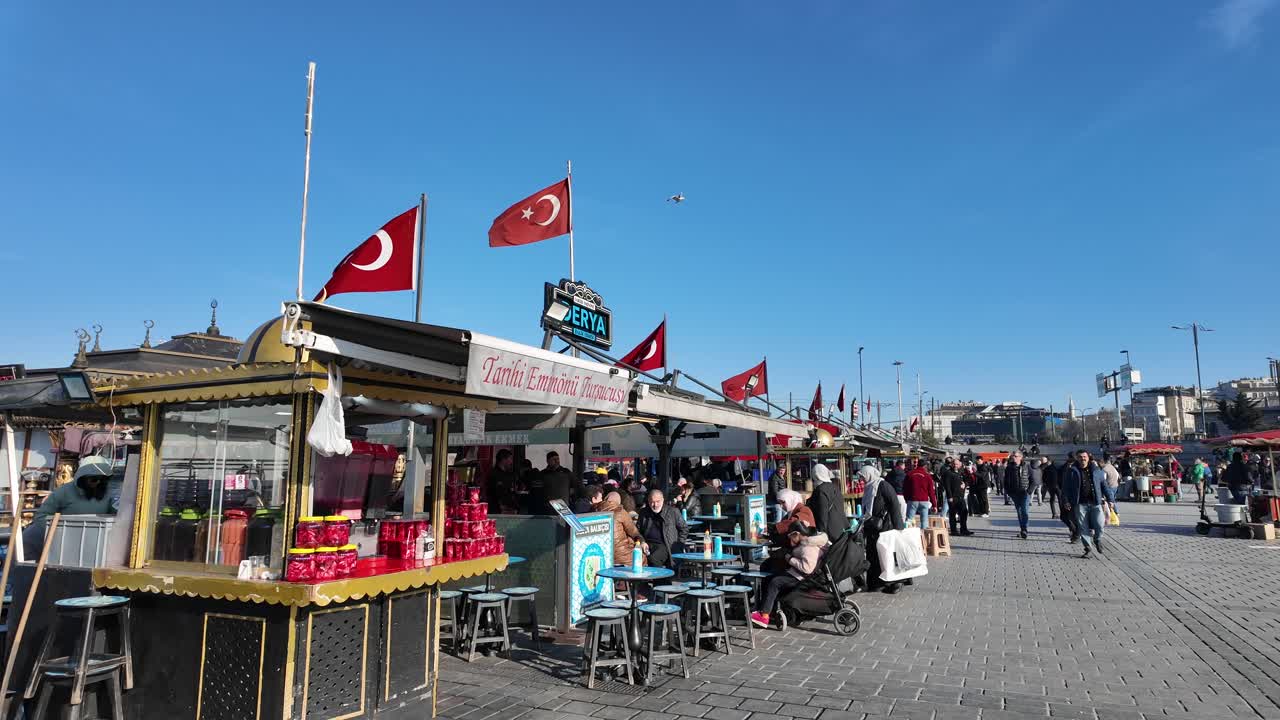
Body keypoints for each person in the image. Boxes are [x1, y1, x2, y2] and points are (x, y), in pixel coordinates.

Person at [750, 519, 828, 629]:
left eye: (791, 536)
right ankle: (766, 609)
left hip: (801, 577)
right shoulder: (807, 541)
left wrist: (789, 558)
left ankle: (764, 616)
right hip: (798, 574)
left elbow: (807, 568)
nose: (789, 539)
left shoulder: (808, 547)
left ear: (798, 534)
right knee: (770, 577)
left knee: (775, 582)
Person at [30, 456, 115, 535]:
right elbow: (41, 517)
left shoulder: (108, 495)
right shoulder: (63, 492)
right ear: (83, 478)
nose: (98, 483)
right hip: (64, 541)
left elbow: (117, 517)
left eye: (103, 480)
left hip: (96, 540)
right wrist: (60, 532)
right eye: (94, 479)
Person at [861, 463, 906, 593]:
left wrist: (898, 526)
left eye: (863, 476)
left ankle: (894, 582)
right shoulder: (869, 487)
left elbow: (894, 505)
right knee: (873, 554)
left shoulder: (883, 485)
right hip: (872, 527)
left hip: (884, 527)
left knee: (886, 555)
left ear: (869, 475)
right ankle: (875, 583)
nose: (862, 480)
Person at [1061, 450, 1107, 558]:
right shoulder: (1072, 471)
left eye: (1084, 456)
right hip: (1080, 504)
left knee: (1100, 524)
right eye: (1080, 457)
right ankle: (1088, 548)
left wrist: (1110, 499)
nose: (1083, 459)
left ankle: (1097, 539)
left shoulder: (1096, 470)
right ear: (1077, 458)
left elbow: (1104, 485)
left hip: (1095, 502)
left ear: (1088, 457)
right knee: (1083, 527)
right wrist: (1066, 501)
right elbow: (1065, 488)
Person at [635, 489, 688, 568]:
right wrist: (642, 542)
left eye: (658, 501)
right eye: (652, 502)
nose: (655, 505)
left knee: (653, 559)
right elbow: (637, 531)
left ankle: (662, 580)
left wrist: (678, 544)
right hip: (648, 544)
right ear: (648, 501)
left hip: (666, 545)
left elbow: (684, 528)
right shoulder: (644, 512)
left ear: (663, 500)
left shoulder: (672, 512)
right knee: (635, 558)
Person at [594, 491, 648, 567]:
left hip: (601, 553)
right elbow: (633, 532)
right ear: (618, 502)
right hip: (621, 556)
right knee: (641, 557)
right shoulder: (620, 512)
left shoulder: (594, 510)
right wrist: (642, 541)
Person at [807, 463, 848, 540]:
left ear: (815, 475)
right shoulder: (835, 488)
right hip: (841, 528)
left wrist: (821, 533)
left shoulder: (820, 490)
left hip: (830, 531)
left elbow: (822, 513)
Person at [1004, 450, 1032, 539]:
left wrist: (1029, 491)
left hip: (1025, 493)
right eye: (1013, 456)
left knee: (1024, 511)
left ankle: (1025, 530)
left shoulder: (1027, 467)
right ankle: (1023, 529)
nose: (1013, 457)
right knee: (1019, 512)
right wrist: (1009, 492)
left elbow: (1034, 479)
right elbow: (1006, 481)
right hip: (1015, 493)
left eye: (1015, 456)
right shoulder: (1009, 467)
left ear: (1021, 457)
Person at [940, 457, 972, 536]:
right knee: (952, 514)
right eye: (954, 464)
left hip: (960, 496)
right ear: (951, 464)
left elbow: (967, 480)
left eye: (957, 464)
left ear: (960, 465)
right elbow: (947, 486)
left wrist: (965, 484)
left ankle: (963, 529)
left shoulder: (961, 472)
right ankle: (954, 530)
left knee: (964, 512)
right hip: (953, 497)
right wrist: (949, 496)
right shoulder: (948, 473)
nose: (955, 465)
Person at [904, 457, 937, 528]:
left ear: (917, 465)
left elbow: (905, 488)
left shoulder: (910, 474)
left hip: (912, 500)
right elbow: (931, 492)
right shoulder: (927, 476)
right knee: (924, 521)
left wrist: (906, 499)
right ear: (925, 466)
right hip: (924, 501)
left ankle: (909, 536)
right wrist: (934, 505)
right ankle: (924, 537)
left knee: (909, 520)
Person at [486, 449, 520, 515]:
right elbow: (495, 494)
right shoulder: (493, 474)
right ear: (503, 460)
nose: (511, 462)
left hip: (511, 511)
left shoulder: (510, 474)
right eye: (510, 459)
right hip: (498, 512)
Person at [1058, 455, 1079, 541]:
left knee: (1072, 517)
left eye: (1071, 464)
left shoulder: (1076, 472)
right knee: (1064, 516)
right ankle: (1075, 531)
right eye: (1068, 463)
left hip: (1074, 499)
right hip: (1065, 496)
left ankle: (1076, 533)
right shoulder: (1065, 469)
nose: (1069, 465)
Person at [885, 460, 908, 525]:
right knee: (902, 515)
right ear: (902, 465)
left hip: (891, 496)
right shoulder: (904, 474)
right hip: (901, 496)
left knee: (893, 514)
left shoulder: (889, 474)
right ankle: (902, 528)